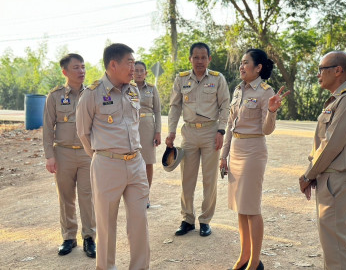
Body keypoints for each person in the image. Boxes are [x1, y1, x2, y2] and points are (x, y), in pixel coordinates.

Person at [76, 43, 150, 270]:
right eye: (129, 63)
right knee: (106, 225)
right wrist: (104, 156)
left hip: (136, 163)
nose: (133, 68)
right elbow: (83, 133)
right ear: (113, 64)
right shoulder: (92, 94)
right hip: (108, 165)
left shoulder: (133, 91)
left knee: (140, 221)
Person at [220, 49, 289, 270]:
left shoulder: (266, 92)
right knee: (241, 207)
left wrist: (272, 111)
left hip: (253, 151)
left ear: (258, 67)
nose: (241, 67)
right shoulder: (238, 89)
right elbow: (230, 125)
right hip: (237, 151)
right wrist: (224, 156)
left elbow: (267, 130)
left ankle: (255, 261)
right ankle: (244, 256)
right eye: (240, 63)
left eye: (245, 63)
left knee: (251, 207)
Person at [299, 51, 346, 270]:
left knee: (337, 245)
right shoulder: (339, 99)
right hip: (329, 177)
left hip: (338, 179)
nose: (318, 74)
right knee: (332, 244)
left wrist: (308, 174)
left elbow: (331, 144)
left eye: (321, 69)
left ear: (338, 70)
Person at [166, 42, 230, 237]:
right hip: (189, 133)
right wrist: (171, 131)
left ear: (209, 59)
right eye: (196, 57)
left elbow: (225, 105)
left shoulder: (218, 79)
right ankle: (187, 219)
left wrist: (221, 131)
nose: (200, 61)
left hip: (211, 133)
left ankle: (205, 220)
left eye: (203, 57)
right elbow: (175, 106)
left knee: (209, 179)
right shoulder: (181, 79)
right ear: (190, 59)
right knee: (187, 179)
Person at [42, 53, 96, 258]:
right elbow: (48, 127)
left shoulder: (92, 93)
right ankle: (69, 237)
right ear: (65, 71)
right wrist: (50, 155)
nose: (81, 71)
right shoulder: (55, 96)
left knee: (87, 196)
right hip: (62, 153)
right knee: (66, 197)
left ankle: (89, 237)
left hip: (86, 153)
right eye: (76, 67)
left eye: (83, 67)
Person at [133, 61, 161, 208]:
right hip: (131, 128)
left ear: (146, 73)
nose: (138, 73)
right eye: (135, 70)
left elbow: (157, 111)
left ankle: (146, 196)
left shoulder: (151, 89)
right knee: (132, 162)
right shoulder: (126, 88)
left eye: (141, 70)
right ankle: (134, 196)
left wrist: (158, 132)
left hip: (148, 127)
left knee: (148, 162)